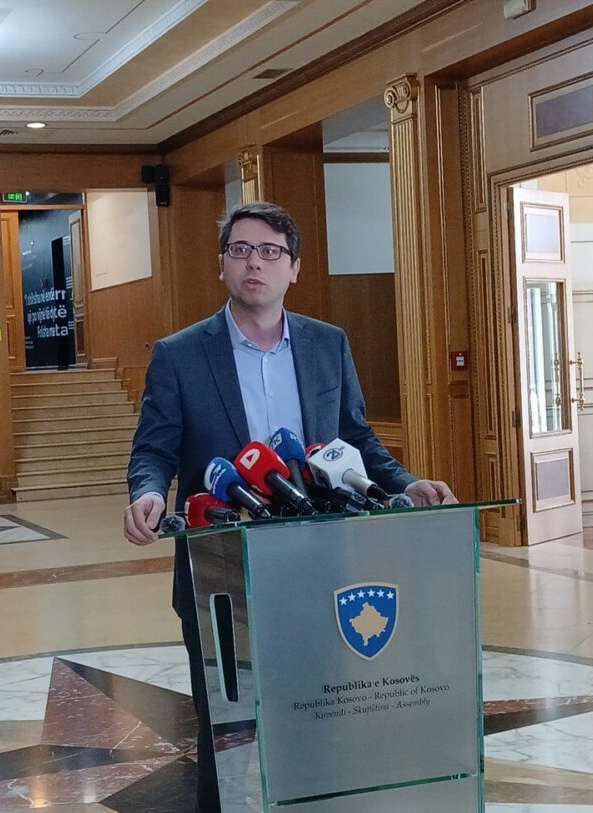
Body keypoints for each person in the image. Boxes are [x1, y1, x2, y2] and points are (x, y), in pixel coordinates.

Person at [122, 201, 456, 811]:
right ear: (222, 264)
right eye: (241, 250)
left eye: (271, 252)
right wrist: (146, 491)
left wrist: (405, 485)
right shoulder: (180, 354)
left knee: (320, 714)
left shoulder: (327, 343)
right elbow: (155, 448)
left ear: (294, 267)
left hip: (318, 564)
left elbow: (355, 439)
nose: (255, 262)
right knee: (227, 729)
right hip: (221, 569)